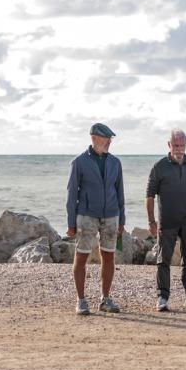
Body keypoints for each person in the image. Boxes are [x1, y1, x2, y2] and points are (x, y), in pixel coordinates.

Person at [146, 129, 186, 312]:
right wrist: (151, 222)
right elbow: (149, 196)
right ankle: (162, 297)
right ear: (169, 145)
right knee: (163, 260)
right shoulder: (159, 167)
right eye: (176, 145)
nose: (179, 149)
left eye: (182, 145)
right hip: (167, 221)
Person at [66, 123, 125, 315]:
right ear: (94, 138)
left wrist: (122, 220)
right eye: (106, 139)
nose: (109, 143)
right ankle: (81, 300)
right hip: (86, 215)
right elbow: (71, 194)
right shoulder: (79, 162)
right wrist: (71, 223)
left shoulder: (115, 163)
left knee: (109, 256)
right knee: (81, 256)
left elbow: (120, 192)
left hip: (111, 215)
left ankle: (105, 299)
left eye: (110, 140)